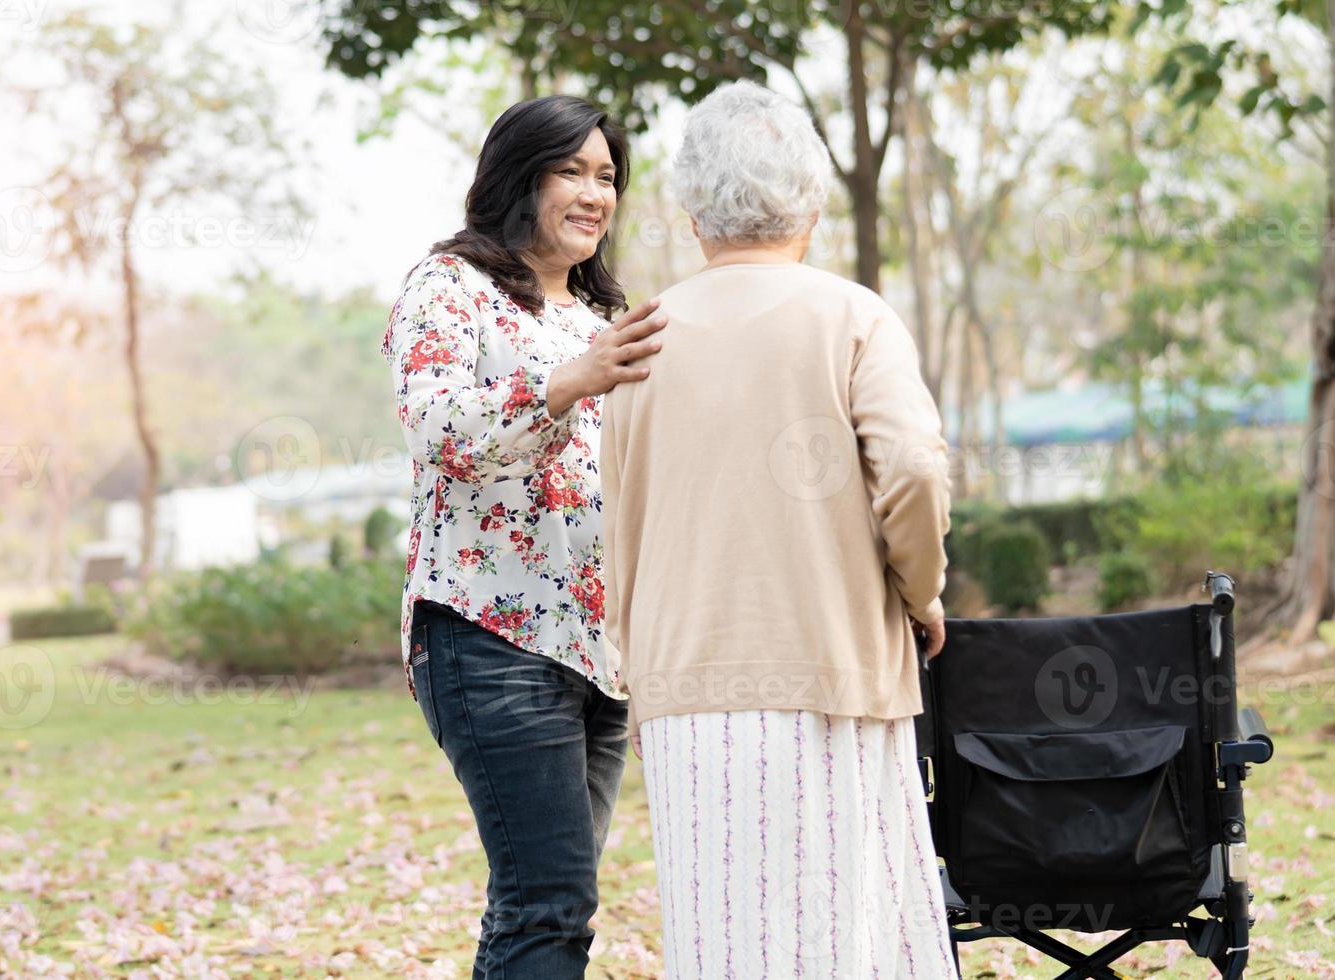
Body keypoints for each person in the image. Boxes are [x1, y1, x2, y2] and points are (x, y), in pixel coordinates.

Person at [600, 80, 955, 978]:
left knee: (724, 945)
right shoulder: (853, 316)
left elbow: (622, 521)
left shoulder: (639, 337)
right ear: (813, 200)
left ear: (691, 212)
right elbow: (912, 466)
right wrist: (921, 591)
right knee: (850, 941)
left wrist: (635, 664)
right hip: (831, 672)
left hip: (684, 684)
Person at [380, 94, 667, 978]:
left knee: (550, 905)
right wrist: (569, 382)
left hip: (598, 649)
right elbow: (437, 429)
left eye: (607, 176)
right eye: (571, 171)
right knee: (548, 901)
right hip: (487, 636)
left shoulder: (597, 317)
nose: (594, 193)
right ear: (519, 176)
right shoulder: (449, 285)